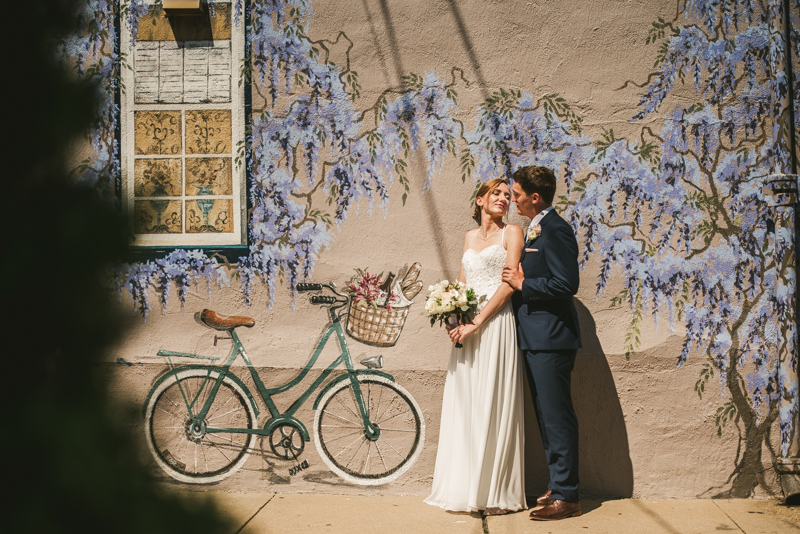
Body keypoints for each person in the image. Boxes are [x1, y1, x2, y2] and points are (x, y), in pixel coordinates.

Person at [424, 178, 526, 515]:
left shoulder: (512, 233)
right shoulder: (469, 238)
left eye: (507, 196)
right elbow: (463, 284)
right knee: (467, 405)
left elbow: (510, 284)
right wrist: (451, 317)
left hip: (494, 325)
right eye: (496, 194)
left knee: (492, 403)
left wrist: (477, 321)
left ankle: (496, 494)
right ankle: (465, 488)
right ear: (480, 200)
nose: (503, 199)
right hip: (467, 329)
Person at [502, 165, 582, 521]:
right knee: (547, 419)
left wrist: (524, 286)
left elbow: (566, 284)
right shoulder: (536, 228)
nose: (512, 199)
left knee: (557, 417)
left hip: (552, 339)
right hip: (534, 339)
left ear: (535, 197)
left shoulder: (557, 231)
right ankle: (557, 484)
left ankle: (568, 495)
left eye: (516, 194)